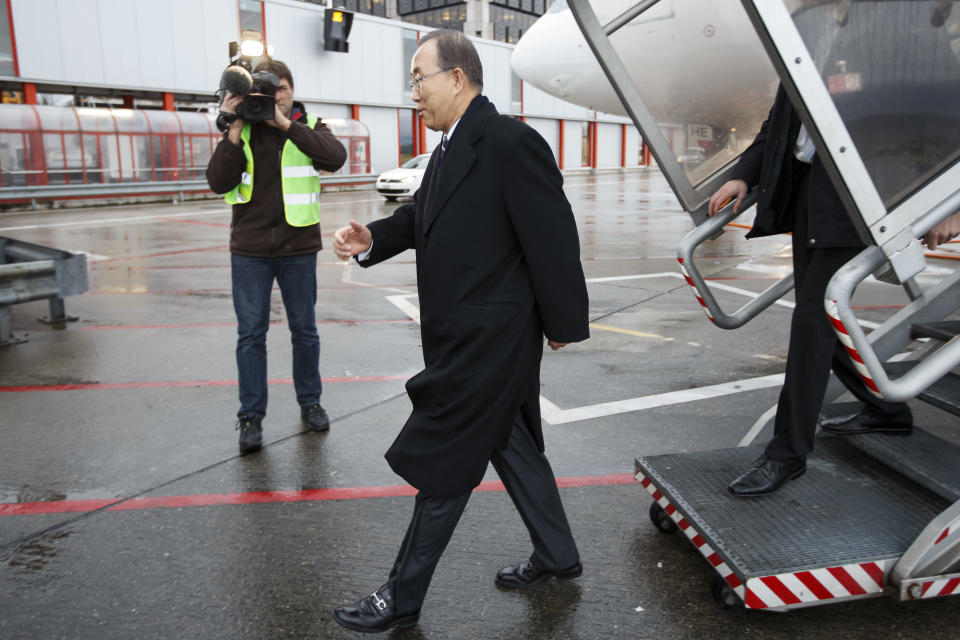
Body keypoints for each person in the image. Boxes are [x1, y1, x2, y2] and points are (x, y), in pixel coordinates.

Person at [329, 30, 589, 633]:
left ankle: (401, 594)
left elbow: (552, 236)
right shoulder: (450, 147)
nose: (413, 91)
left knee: (445, 459)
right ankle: (557, 554)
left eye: (419, 77)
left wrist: (562, 323)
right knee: (510, 443)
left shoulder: (510, 142)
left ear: (457, 78)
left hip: (490, 339)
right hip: (466, 332)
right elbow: (426, 216)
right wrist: (375, 239)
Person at [707, 85, 914, 497]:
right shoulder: (805, 46)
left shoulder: (880, 47)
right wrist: (742, 175)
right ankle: (887, 409)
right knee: (820, 319)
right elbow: (776, 128)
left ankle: (787, 454)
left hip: (853, 200)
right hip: (809, 196)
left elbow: (933, 122)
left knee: (811, 322)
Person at [206, 59, 346, 455]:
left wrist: (286, 124)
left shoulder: (308, 124)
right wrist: (233, 125)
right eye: (266, 90)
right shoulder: (242, 127)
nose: (274, 96)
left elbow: (334, 159)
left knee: (305, 331)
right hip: (249, 251)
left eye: (281, 88)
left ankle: (310, 402)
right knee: (251, 335)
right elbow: (218, 181)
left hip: (297, 249)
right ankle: (251, 416)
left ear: (292, 90)